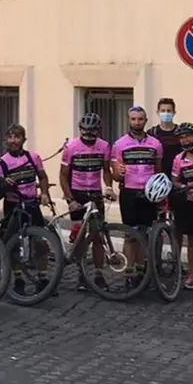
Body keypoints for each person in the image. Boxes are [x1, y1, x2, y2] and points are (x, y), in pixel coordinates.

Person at [0, 124, 52, 296]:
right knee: (13, 244)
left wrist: (45, 193)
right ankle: (18, 279)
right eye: (10, 137)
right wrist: (4, 184)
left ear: (23, 139)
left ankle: (43, 278)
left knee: (40, 242)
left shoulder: (33, 157)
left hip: (31, 204)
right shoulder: (1, 163)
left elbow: (42, 177)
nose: (13, 141)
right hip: (13, 206)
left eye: (17, 137)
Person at [59, 113, 115, 292]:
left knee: (98, 235)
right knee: (80, 237)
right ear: (80, 129)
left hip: (95, 195)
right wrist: (70, 199)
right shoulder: (71, 147)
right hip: (78, 194)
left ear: (98, 130)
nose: (88, 135)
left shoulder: (104, 146)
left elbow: (106, 170)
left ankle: (99, 274)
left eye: (92, 131)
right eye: (85, 131)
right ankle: (81, 274)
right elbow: (63, 175)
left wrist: (108, 187)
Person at [111, 106, 162, 288]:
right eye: (133, 119)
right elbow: (116, 175)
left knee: (145, 234)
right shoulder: (119, 144)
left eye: (140, 119)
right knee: (130, 235)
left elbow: (158, 171)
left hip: (149, 194)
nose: (137, 122)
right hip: (129, 193)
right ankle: (129, 272)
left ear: (145, 121)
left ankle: (141, 270)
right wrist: (117, 171)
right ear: (129, 120)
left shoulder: (155, 144)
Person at [171, 123, 193, 289]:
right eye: (182, 137)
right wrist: (185, 188)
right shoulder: (178, 159)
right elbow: (175, 182)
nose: (185, 140)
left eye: (188, 136)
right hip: (191, 204)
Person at [147, 98, 181, 177]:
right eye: (163, 111)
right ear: (158, 112)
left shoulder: (180, 132)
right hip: (158, 177)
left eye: (169, 111)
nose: (166, 113)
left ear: (174, 113)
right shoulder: (152, 133)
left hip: (178, 176)